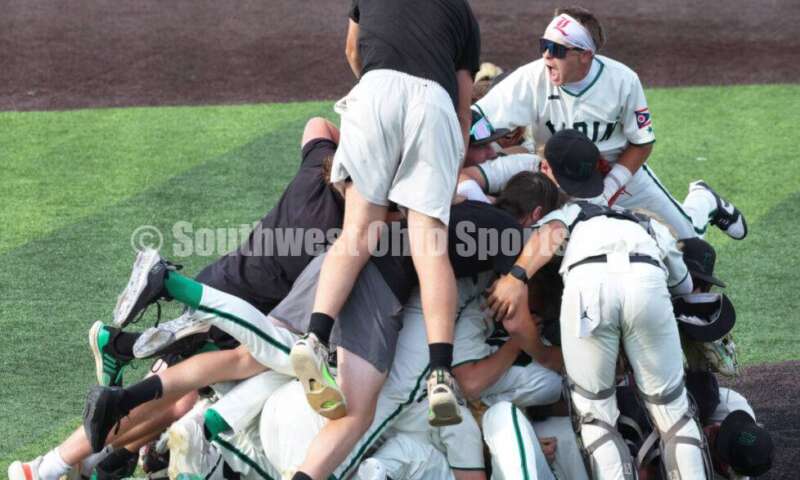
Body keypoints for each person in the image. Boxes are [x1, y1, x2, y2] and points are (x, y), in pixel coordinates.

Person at [295, 0, 482, 435]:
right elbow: (463, 99)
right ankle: (440, 374)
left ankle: (314, 338)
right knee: (429, 247)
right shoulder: (462, 12)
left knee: (358, 232)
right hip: (433, 103)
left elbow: (352, 50)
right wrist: (452, 168)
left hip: (374, 91)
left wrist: (376, 95)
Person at [487, 129, 711, 479]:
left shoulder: (567, 215)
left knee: (595, 417)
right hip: (647, 281)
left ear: (549, 172)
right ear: (600, 169)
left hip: (588, 286)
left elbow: (551, 233)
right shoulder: (643, 221)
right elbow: (683, 284)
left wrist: (516, 277)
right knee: (674, 412)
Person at [473, 6, 746, 241]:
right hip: (561, 178)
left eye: (556, 49)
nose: (546, 55)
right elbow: (478, 118)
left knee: (688, 239)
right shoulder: (532, 77)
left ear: (585, 55)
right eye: (544, 45)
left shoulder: (623, 81)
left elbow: (642, 142)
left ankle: (703, 200)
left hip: (621, 174)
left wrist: (610, 188)